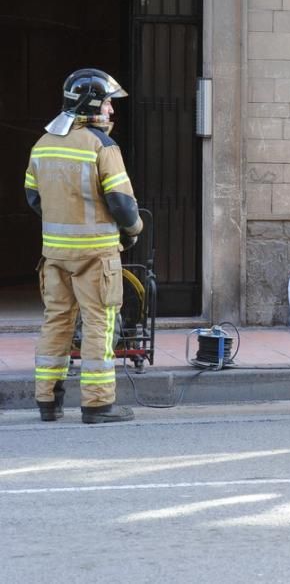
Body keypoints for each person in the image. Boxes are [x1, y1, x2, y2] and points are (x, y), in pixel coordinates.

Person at [24, 68, 143, 424]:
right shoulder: (102, 146)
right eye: (107, 102)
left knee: (56, 322)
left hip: (55, 255)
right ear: (92, 104)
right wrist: (134, 229)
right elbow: (123, 204)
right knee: (99, 323)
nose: (111, 110)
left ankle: (48, 402)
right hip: (96, 255)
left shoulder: (43, 144)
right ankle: (97, 405)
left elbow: (33, 197)